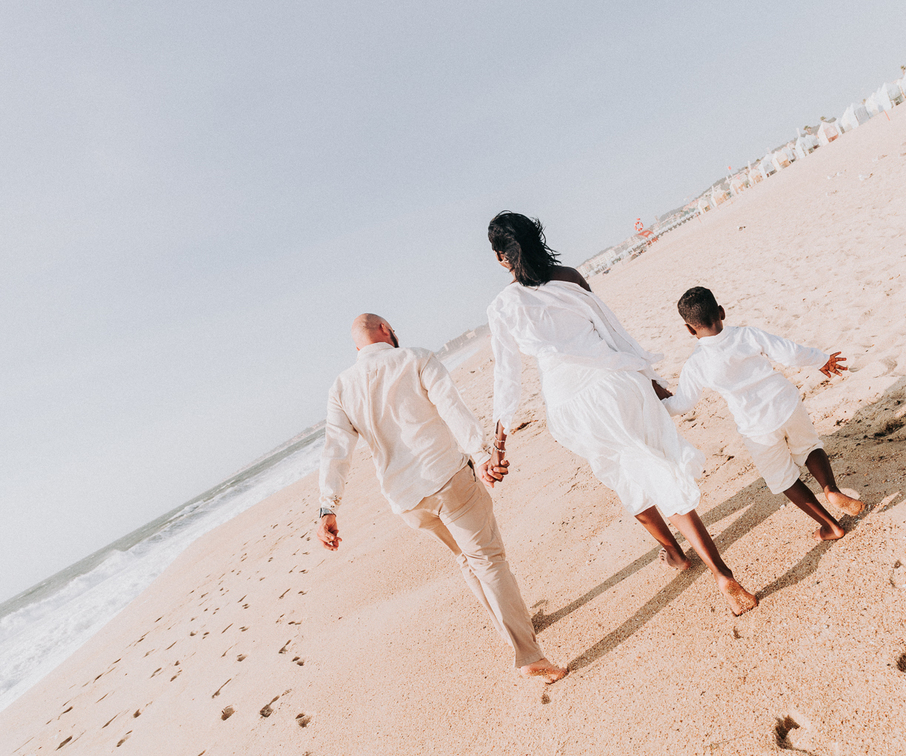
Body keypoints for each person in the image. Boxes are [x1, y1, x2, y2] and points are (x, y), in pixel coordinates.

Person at [483, 213, 758, 616]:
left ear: (499, 258)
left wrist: (498, 445)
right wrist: (650, 377)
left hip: (570, 405)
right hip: (615, 384)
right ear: (537, 239)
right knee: (658, 467)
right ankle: (721, 573)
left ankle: (675, 555)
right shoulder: (569, 276)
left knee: (623, 474)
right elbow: (612, 332)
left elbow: (506, 378)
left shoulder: (502, 307)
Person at [317, 313, 566, 683]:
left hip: (407, 501)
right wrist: (481, 455)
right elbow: (452, 409)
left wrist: (328, 506)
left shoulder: (341, 386)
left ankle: (512, 629)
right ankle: (529, 654)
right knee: (488, 561)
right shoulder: (415, 357)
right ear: (386, 329)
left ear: (358, 347)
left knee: (467, 560)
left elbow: (336, 449)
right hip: (447, 479)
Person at [664, 287, 865, 540]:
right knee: (810, 447)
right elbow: (790, 353)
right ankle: (831, 489)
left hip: (757, 427)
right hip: (787, 404)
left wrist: (658, 408)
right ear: (721, 312)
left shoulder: (696, 363)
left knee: (783, 479)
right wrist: (821, 360)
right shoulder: (747, 334)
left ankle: (831, 526)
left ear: (690, 330)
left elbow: (683, 403)